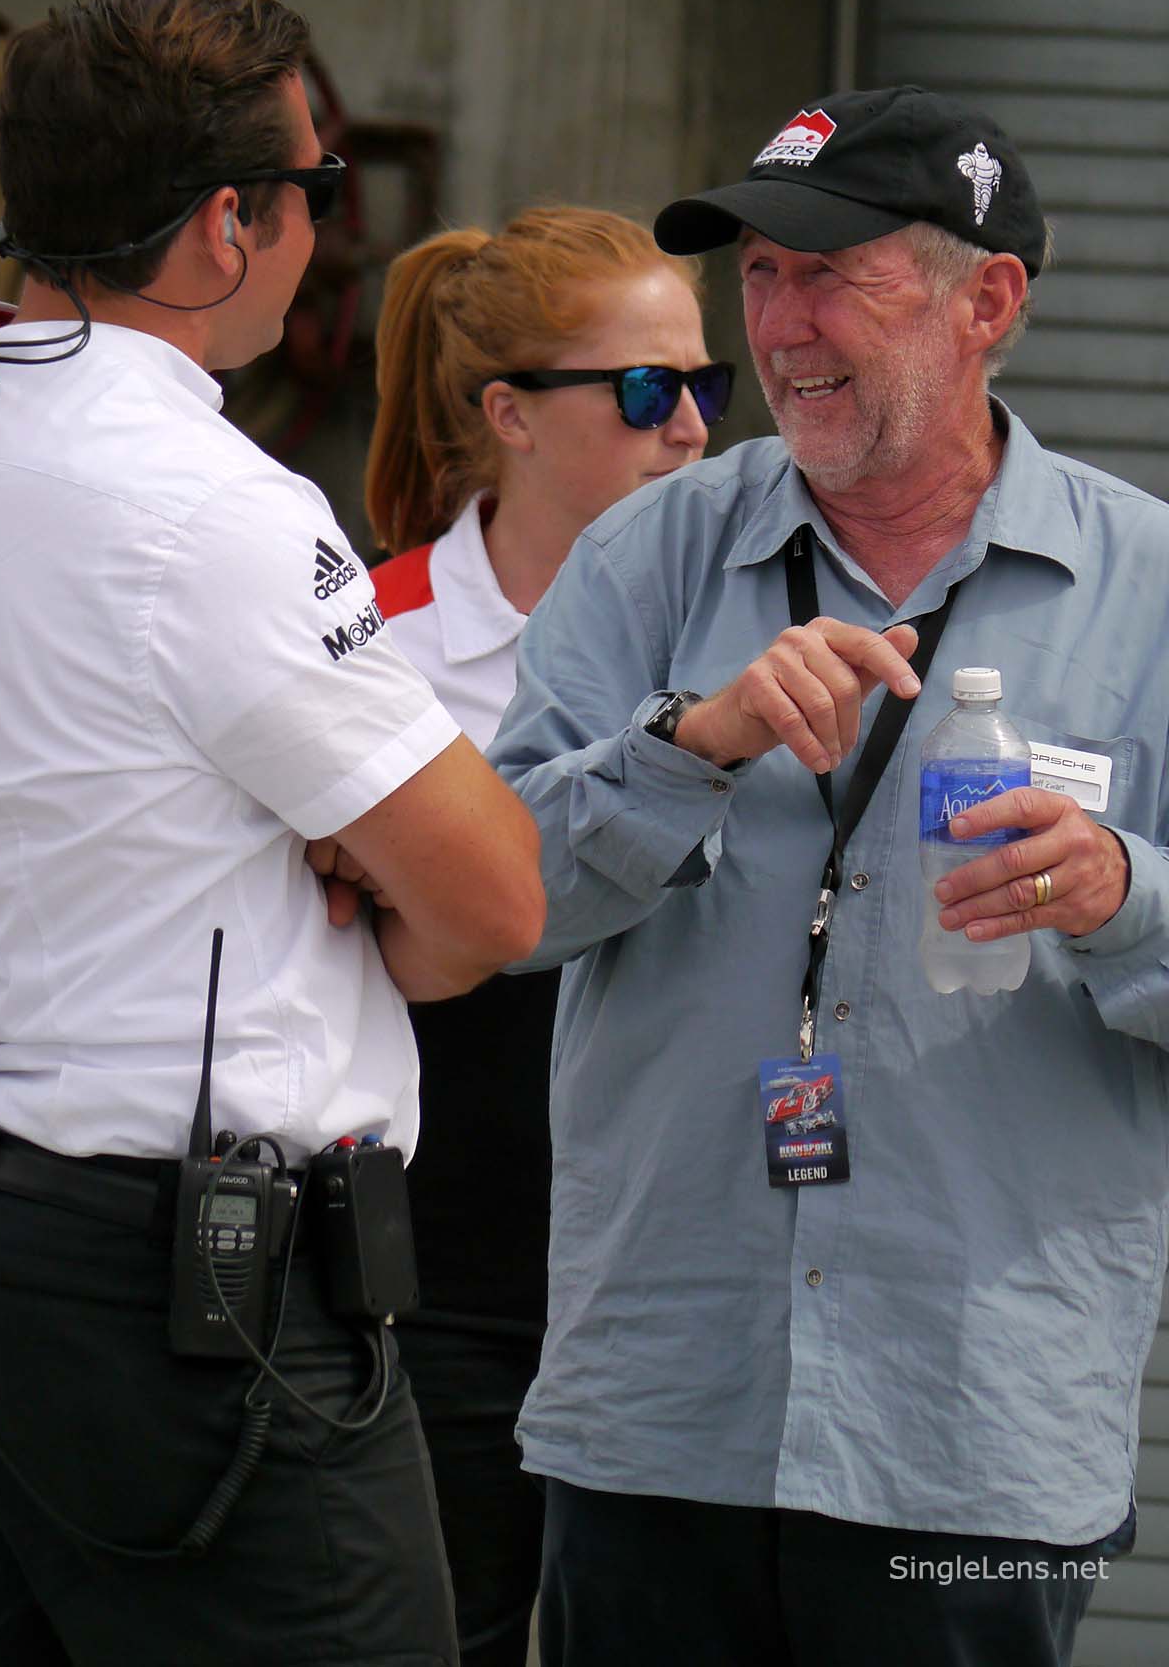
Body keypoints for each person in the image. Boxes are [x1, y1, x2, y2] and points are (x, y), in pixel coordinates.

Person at [488, 83, 1169, 1667]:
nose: (783, 326)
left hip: (971, 1435)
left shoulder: (1147, 592)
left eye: (832, 274)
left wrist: (1120, 891)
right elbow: (496, 906)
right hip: (662, 1414)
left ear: (986, 301)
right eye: (761, 275)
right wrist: (688, 745)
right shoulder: (647, 557)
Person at [0, 0, 544, 1667]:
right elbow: (493, 902)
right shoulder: (207, 506)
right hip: (187, 1284)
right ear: (231, 224)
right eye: (315, 190)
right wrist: (356, 865)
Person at [361, 206, 727, 1667]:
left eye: (707, 384)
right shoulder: (363, 640)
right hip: (433, 1280)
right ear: (508, 414)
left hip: (682, 1279)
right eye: (647, 390)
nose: (693, 428)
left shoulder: (754, 639)